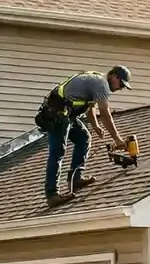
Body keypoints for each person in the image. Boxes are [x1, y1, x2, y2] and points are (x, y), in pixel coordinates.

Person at [34, 67, 132, 208]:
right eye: (121, 84)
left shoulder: (97, 81)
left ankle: (76, 179)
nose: (121, 88)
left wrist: (96, 126)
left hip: (66, 113)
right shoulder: (101, 84)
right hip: (56, 113)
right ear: (114, 76)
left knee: (83, 138)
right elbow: (105, 113)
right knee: (57, 153)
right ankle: (52, 195)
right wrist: (117, 139)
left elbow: (90, 108)